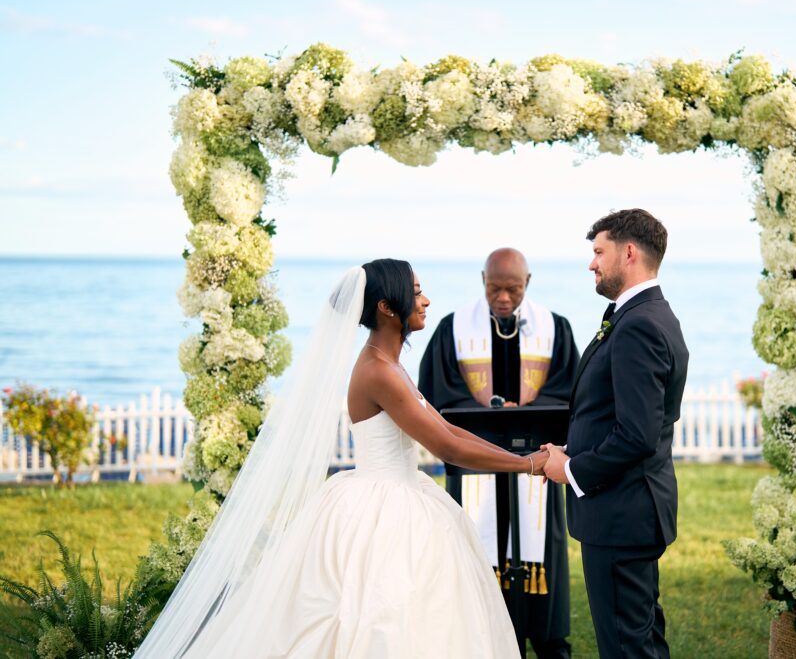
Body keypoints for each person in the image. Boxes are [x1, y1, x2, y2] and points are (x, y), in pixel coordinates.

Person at [135, 259, 548, 659]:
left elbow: (447, 429)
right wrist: (530, 465)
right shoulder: (378, 372)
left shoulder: (392, 365)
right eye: (417, 293)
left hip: (403, 491)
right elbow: (447, 448)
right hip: (382, 507)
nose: (425, 302)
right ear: (387, 308)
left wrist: (526, 456)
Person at [419, 248, 578, 659]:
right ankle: (486, 640)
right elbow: (438, 393)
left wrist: (525, 418)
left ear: (529, 282)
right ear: (482, 280)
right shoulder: (452, 330)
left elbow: (569, 391)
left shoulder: (555, 330)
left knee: (542, 552)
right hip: (475, 466)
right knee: (476, 549)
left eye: (513, 288)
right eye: (494, 288)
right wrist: (492, 412)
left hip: (537, 468)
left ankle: (547, 640)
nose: (503, 298)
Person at [543, 210, 688, 659]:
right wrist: (573, 447)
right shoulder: (648, 315)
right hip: (631, 509)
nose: (592, 264)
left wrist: (571, 469)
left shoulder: (639, 324)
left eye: (598, 252)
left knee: (626, 648)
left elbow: (637, 435)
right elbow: (622, 417)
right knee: (641, 640)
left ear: (628, 253)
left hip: (621, 514)